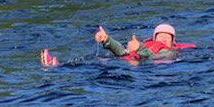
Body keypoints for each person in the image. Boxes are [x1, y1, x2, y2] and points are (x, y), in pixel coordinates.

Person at [40, 23, 194, 67]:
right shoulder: (144, 45)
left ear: (173, 41)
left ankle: (57, 67)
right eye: (160, 36)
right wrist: (107, 40)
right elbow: (121, 51)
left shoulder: (171, 53)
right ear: (154, 38)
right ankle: (57, 64)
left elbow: (154, 56)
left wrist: (139, 48)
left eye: (167, 38)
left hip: (140, 66)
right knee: (94, 61)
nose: (163, 40)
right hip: (128, 62)